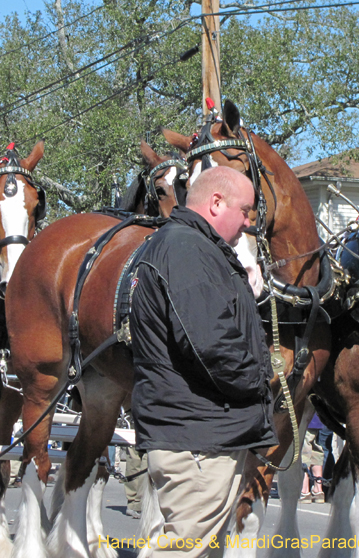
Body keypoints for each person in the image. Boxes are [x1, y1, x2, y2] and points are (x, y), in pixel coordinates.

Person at [130, 166, 276, 558]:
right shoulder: (186, 249)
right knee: (181, 551)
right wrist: (262, 381)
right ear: (215, 203)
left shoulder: (189, 247)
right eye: (245, 211)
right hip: (197, 440)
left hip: (202, 432)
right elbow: (210, 344)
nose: (249, 223)